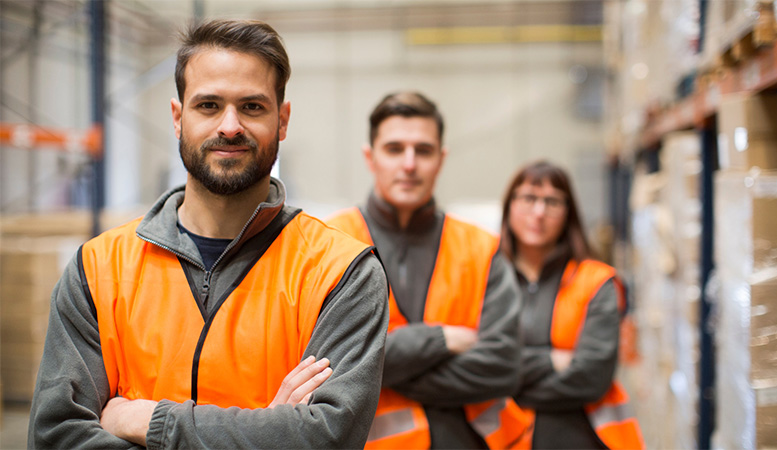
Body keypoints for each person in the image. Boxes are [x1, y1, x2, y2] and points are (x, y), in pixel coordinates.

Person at [28, 19, 389, 449]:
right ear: (178, 118)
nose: (230, 126)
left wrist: (151, 422)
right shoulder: (98, 269)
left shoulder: (342, 273)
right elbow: (55, 436)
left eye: (252, 106)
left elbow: (327, 437)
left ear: (283, 119)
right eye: (209, 106)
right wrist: (269, 431)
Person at [326, 91, 531, 450]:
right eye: (394, 149)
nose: (409, 164)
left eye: (423, 150)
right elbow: (327, 362)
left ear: (441, 158)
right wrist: (440, 340)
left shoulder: (482, 248)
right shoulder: (329, 244)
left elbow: (503, 365)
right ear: (370, 157)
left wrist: (373, 368)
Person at [500, 160, 645, 449]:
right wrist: (553, 359)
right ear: (509, 206)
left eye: (552, 202)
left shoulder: (596, 281)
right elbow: (469, 365)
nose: (539, 213)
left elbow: (592, 378)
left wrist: (501, 387)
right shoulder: (483, 279)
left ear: (568, 212)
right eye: (529, 198)